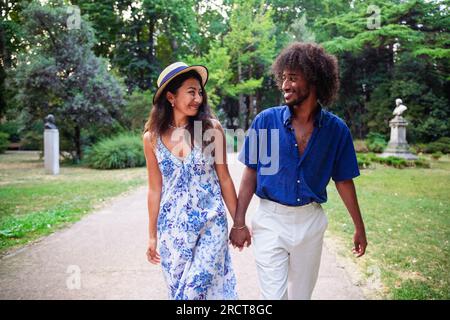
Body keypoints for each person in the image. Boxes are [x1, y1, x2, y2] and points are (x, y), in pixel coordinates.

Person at [230, 42, 368, 300]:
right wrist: (239, 222)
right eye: (283, 78)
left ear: (314, 79)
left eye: (292, 78)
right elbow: (251, 174)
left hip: (310, 222)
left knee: (301, 297)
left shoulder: (336, 131)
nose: (285, 85)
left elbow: (344, 181)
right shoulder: (267, 121)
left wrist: (359, 227)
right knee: (273, 296)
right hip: (270, 220)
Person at [143, 62, 238, 300]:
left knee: (192, 292)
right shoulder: (151, 139)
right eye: (191, 91)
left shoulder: (212, 130)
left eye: (199, 92)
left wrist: (239, 222)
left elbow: (224, 178)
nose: (198, 97)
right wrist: (152, 235)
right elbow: (155, 189)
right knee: (179, 291)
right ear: (171, 97)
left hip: (211, 224)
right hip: (173, 232)